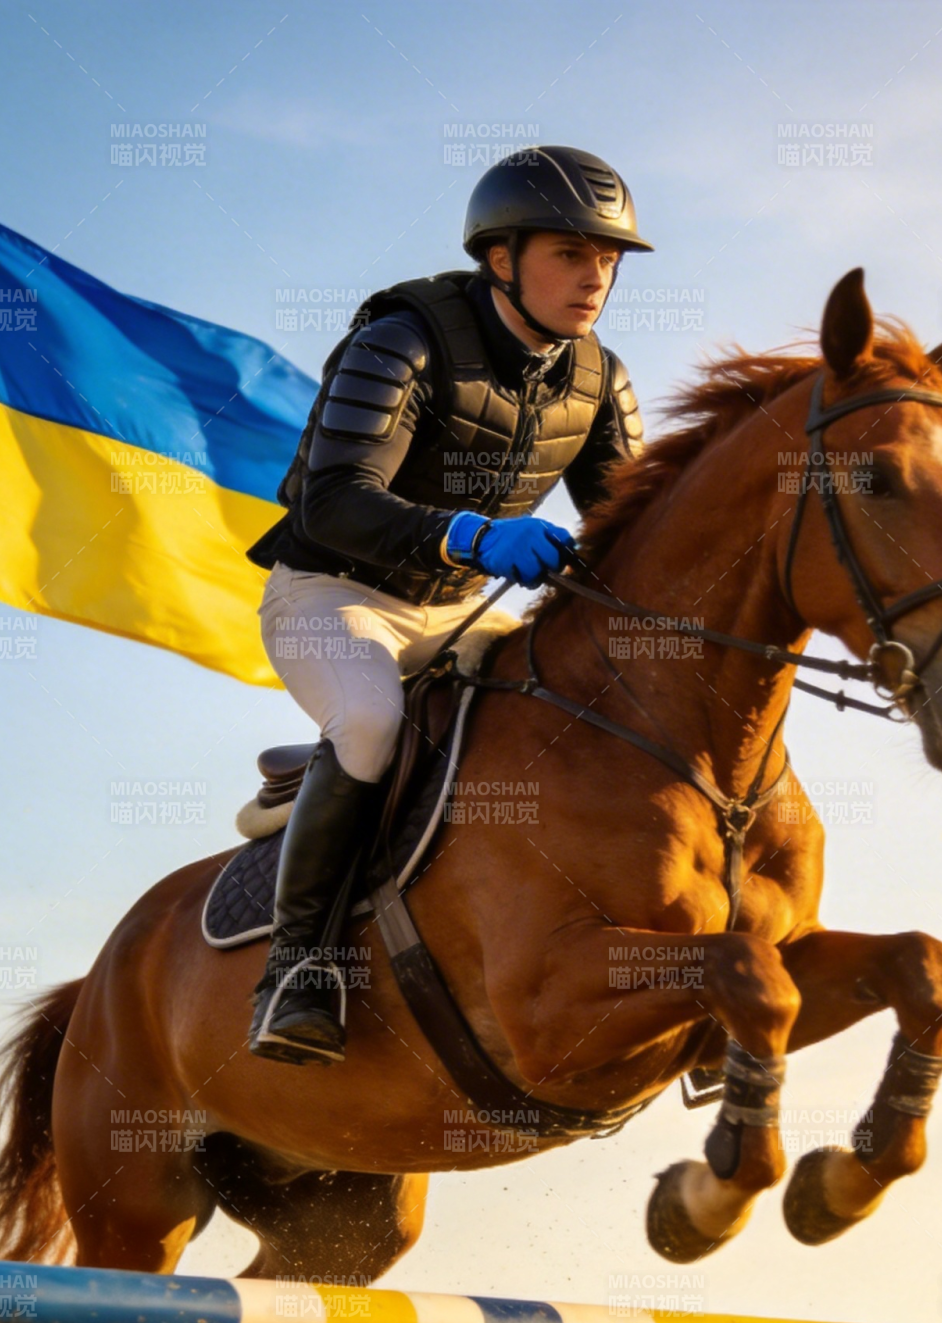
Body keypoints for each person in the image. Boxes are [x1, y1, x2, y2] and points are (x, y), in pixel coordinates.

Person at [244, 146, 652, 1065]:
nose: (596, 278)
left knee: (589, 707)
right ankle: (298, 970)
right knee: (371, 720)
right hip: (333, 593)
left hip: (460, 614)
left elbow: (633, 529)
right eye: (570, 254)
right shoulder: (403, 338)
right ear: (500, 258)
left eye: (610, 259)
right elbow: (333, 500)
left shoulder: (599, 376)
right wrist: (474, 536)